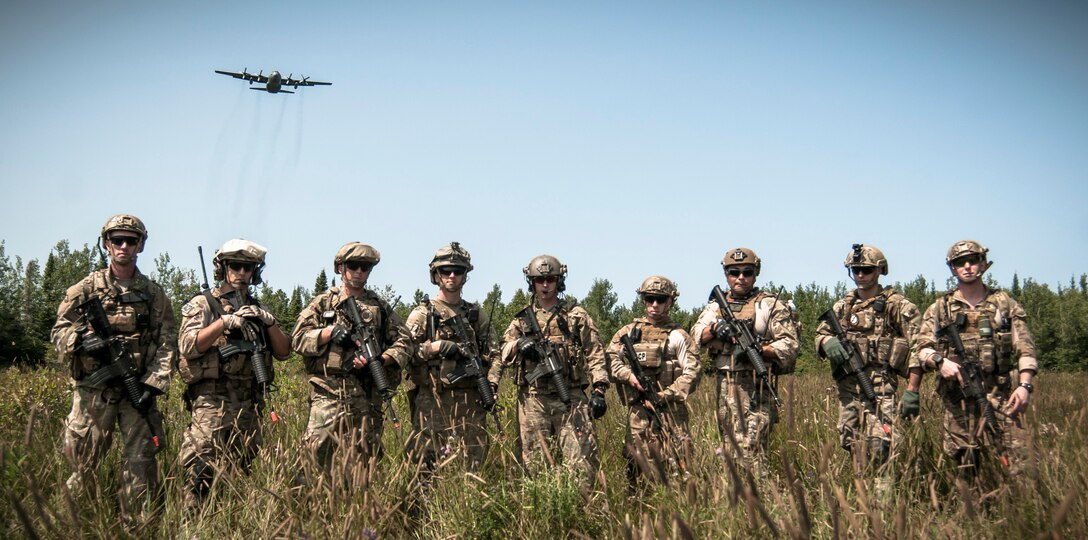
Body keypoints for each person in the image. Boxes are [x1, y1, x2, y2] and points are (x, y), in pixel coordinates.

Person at [51, 214, 175, 521]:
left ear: (140, 246)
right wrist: (81, 339)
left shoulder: (154, 294)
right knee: (83, 464)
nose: (123, 246)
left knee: (140, 463)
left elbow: (167, 342)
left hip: (137, 392)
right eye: (117, 240)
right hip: (95, 391)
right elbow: (58, 331)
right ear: (107, 244)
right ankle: (70, 523)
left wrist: (152, 384)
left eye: (130, 241)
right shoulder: (84, 289)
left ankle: (136, 525)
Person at [176, 239, 291, 511]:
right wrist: (223, 322)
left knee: (243, 472)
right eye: (235, 266)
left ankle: (233, 523)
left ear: (255, 272)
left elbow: (285, 352)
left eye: (248, 268)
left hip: (249, 404)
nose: (241, 273)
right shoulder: (203, 303)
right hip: (211, 403)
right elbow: (188, 345)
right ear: (223, 268)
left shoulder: (258, 308)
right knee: (201, 471)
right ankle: (193, 526)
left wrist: (269, 321)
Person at [916, 240, 1037, 475]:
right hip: (958, 399)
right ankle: (976, 508)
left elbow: (1025, 347)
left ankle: (1021, 509)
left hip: (1001, 395)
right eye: (960, 262)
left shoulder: (1004, 304)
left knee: (1021, 465)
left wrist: (1025, 386)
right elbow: (922, 348)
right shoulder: (941, 308)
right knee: (966, 467)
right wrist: (940, 362)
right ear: (952, 268)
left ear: (983, 263)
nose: (968, 266)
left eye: (973, 260)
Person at [292, 242, 413, 476]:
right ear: (340, 268)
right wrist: (328, 333)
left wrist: (381, 360)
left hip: (367, 396)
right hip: (328, 394)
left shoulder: (380, 307)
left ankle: (358, 509)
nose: (359, 272)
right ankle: (304, 508)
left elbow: (405, 342)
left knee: (364, 464)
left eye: (365, 267)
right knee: (312, 460)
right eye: (353, 266)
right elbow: (297, 340)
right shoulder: (323, 303)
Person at [489, 254, 609, 483]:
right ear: (531, 282)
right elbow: (501, 353)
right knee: (533, 466)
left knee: (582, 465)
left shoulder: (576, 316)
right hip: (533, 400)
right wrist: (518, 345)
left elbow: (595, 352)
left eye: (551, 279)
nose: (545, 285)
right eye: (539, 280)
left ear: (559, 280)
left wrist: (599, 390)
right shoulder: (521, 321)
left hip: (571, 397)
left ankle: (584, 514)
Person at [813, 244, 922, 477]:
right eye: (856, 270)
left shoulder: (897, 305)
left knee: (882, 445)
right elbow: (820, 333)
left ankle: (883, 503)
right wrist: (826, 342)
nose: (860, 275)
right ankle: (862, 498)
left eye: (866, 270)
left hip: (881, 387)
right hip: (848, 388)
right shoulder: (842, 306)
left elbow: (920, 344)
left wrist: (913, 389)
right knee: (851, 442)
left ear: (879, 270)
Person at [691, 247, 799, 476]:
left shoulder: (769, 306)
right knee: (730, 452)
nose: (740, 277)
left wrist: (761, 349)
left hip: (758, 385)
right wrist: (715, 328)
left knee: (752, 450)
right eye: (734, 272)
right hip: (725, 386)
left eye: (747, 272)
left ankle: (762, 501)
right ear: (726, 275)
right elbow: (695, 337)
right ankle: (736, 503)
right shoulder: (716, 307)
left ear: (755, 273)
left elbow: (790, 346)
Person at [404, 242, 496, 477]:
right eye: (446, 271)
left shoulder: (476, 315)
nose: (452, 275)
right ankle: (424, 514)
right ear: (436, 275)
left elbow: (495, 355)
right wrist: (435, 347)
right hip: (432, 402)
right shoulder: (423, 314)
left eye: (458, 271)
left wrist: (491, 384)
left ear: (466, 276)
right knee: (425, 470)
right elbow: (405, 353)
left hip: (471, 403)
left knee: (472, 469)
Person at [606, 276, 700, 485]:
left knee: (676, 467)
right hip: (638, 412)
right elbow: (610, 359)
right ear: (644, 300)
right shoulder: (628, 333)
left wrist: (664, 396)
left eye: (660, 299)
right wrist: (628, 376)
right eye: (650, 299)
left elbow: (692, 372)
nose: (654, 305)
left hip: (671, 413)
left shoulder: (678, 336)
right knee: (635, 468)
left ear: (670, 301)